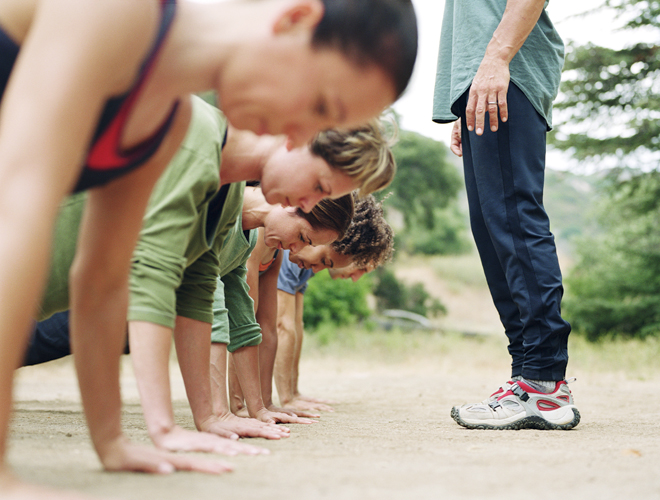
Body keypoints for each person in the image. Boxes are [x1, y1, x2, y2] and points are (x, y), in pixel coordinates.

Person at [0, 0, 418, 492]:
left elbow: (102, 278)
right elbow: (18, 202)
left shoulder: (169, 121)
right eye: (321, 105)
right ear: (295, 20)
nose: (299, 135)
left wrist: (112, 442)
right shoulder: (118, 11)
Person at [23, 93, 397, 455]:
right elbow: (153, 279)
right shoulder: (195, 135)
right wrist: (163, 429)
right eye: (318, 187)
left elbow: (197, 292)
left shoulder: (228, 194)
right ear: (297, 136)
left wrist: (211, 416)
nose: (307, 205)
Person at [432, 0, 580, 430]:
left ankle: (544, 383)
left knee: (514, 221)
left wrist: (495, 61)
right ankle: (526, 378)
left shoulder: (501, 63)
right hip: (482, 82)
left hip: (506, 73)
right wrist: (467, 92)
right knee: (492, 230)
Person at [273, 195, 394, 413]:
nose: (356, 278)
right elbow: (282, 327)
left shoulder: (305, 266)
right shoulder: (292, 256)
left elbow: (296, 326)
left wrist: (294, 394)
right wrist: (287, 400)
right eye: (361, 269)